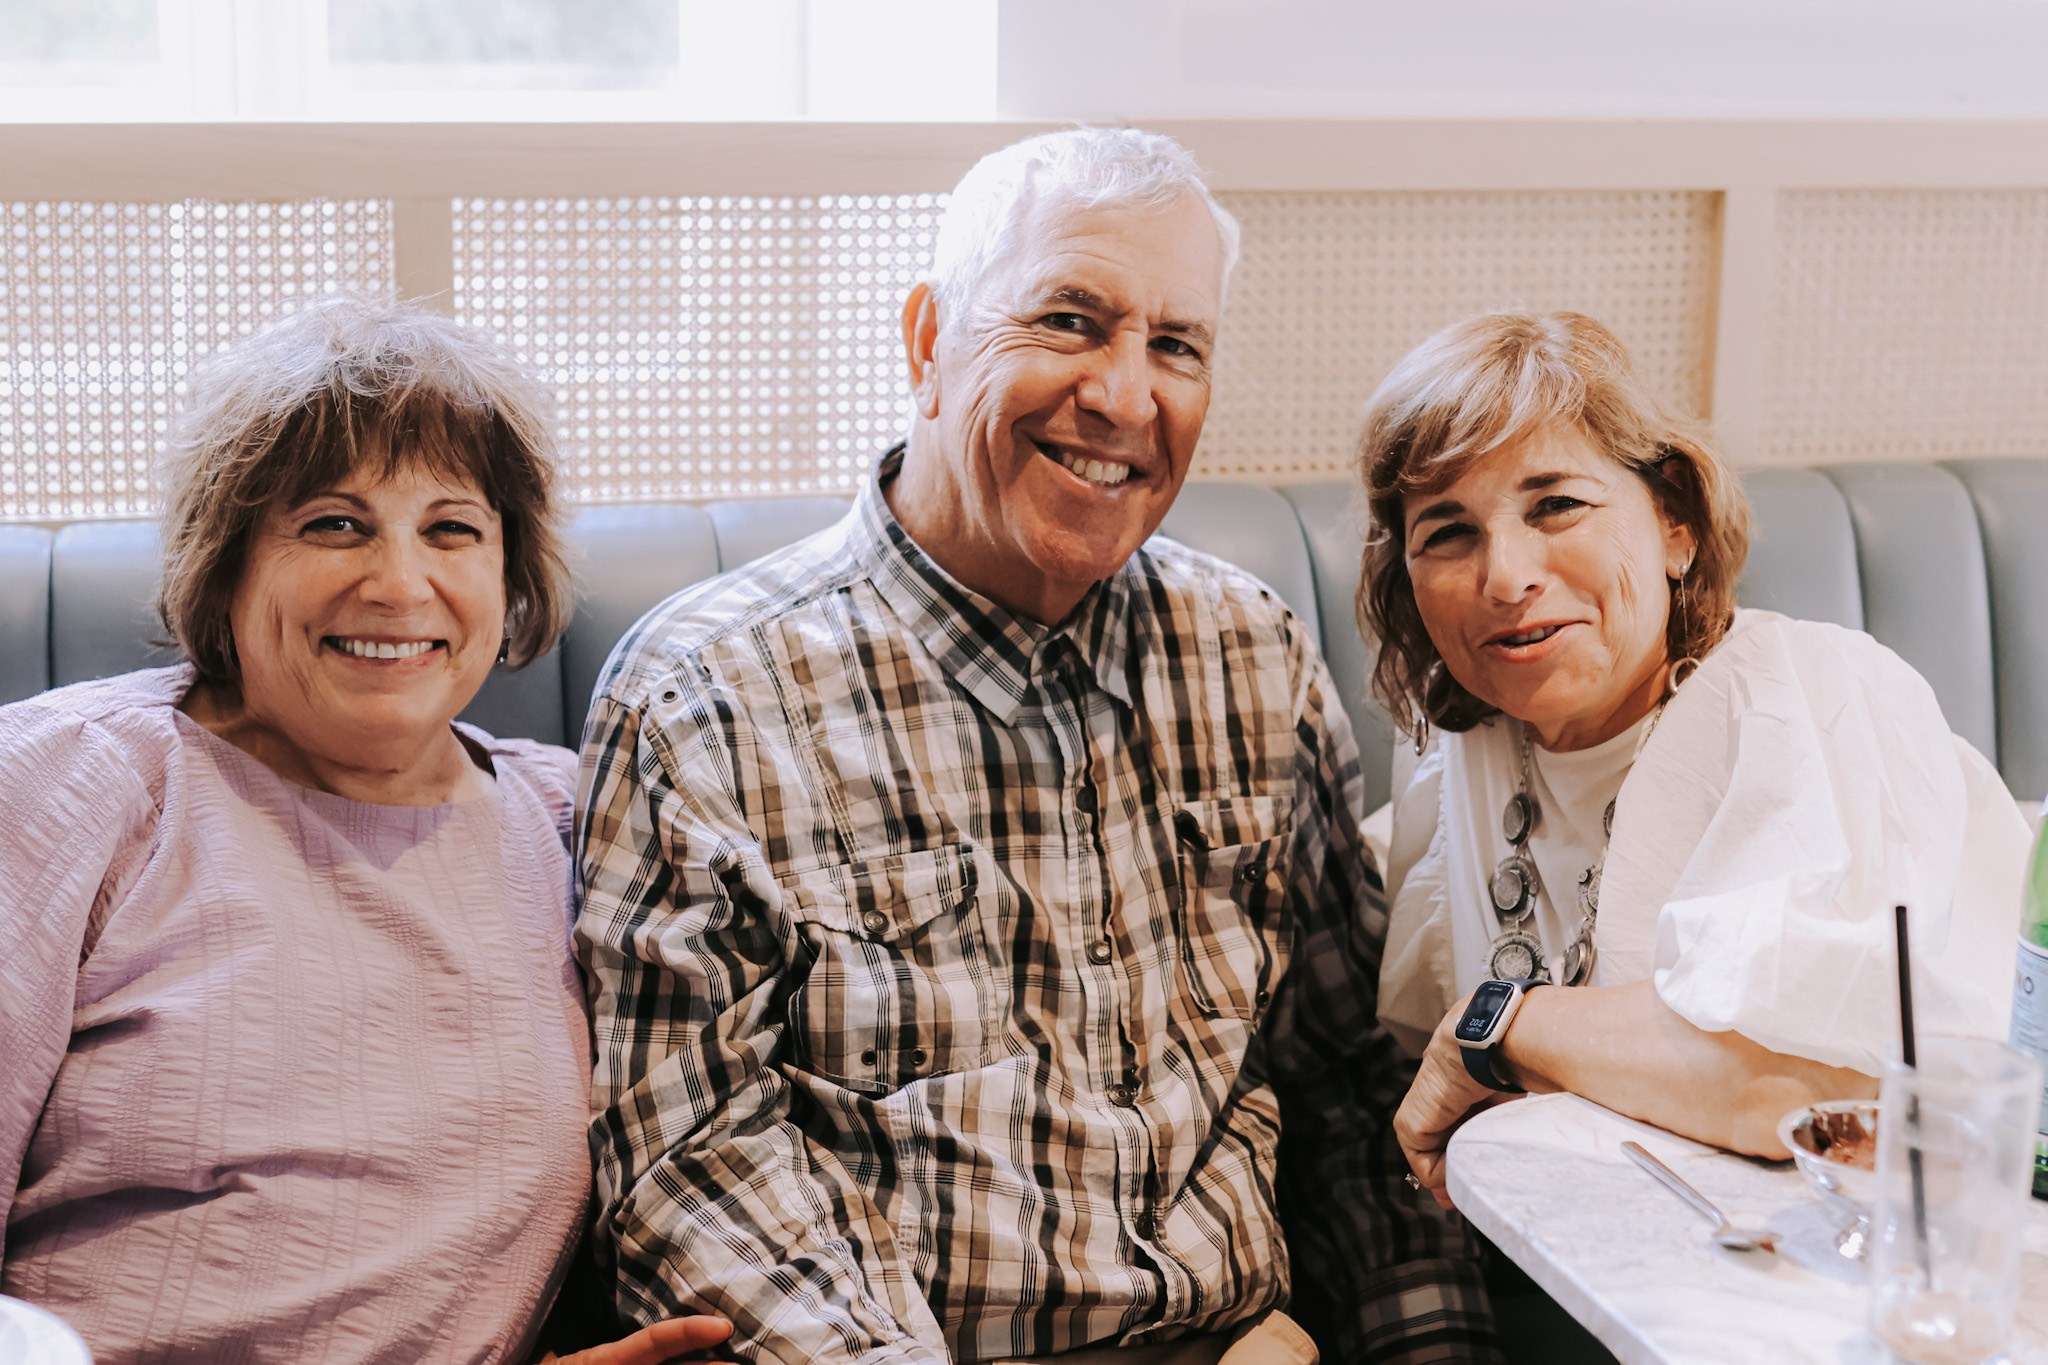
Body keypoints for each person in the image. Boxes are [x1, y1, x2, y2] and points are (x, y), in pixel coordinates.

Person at [576, 129, 1496, 1364]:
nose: (1125, 396)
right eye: (1068, 320)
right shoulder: (704, 696)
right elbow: (692, 1164)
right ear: (927, 344)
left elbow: (1345, 1085)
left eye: (1175, 346)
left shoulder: (1250, 654)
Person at [0, 295, 730, 1364]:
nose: (397, 583)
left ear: (508, 574)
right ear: (230, 560)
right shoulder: (72, 786)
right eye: (332, 523)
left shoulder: (582, 827)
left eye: (452, 529)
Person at [1357, 309, 2029, 1207]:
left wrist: (1503, 1025)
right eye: (1447, 531)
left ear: (1674, 519)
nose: (1506, 576)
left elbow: (1808, 1095)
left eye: (1556, 503)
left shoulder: (1807, 698)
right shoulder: (1458, 750)